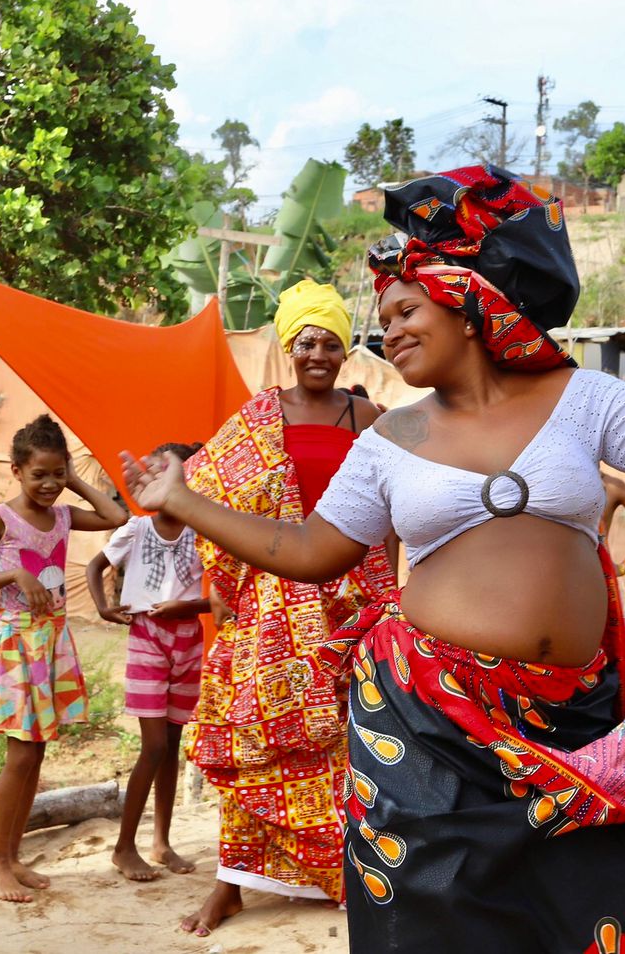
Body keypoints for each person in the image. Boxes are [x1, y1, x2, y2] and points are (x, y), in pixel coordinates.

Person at [121, 166, 625, 951]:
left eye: (407, 309)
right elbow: (311, 549)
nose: (391, 332)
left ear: (468, 306)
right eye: (384, 319)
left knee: (575, 912)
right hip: (425, 720)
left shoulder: (577, 398)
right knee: (429, 915)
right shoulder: (390, 437)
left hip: (575, 716)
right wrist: (183, 500)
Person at [175, 278, 396, 936]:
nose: (319, 354)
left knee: (352, 743)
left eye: (331, 342)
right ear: (287, 347)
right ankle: (232, 885)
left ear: (346, 349)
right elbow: (206, 494)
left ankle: (350, 871)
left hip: (353, 602)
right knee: (255, 739)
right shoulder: (256, 419)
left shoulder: (370, 419)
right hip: (270, 603)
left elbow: (388, 513)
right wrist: (228, 587)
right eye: (306, 343)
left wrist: (387, 591)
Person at [0, 414, 127, 902]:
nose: (50, 484)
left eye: (58, 474)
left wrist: (75, 480)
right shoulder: (1, 518)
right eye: (40, 475)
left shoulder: (65, 516)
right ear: (16, 471)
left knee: (38, 753)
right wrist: (13, 576)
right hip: (16, 644)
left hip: (50, 641)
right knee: (22, 753)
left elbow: (117, 518)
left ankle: (12, 857)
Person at [85, 440, 210, 882]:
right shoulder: (137, 529)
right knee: (155, 745)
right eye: (155, 473)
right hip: (148, 638)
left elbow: (219, 597)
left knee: (173, 745)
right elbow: (94, 566)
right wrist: (103, 606)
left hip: (188, 640)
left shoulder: (205, 533)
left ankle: (161, 842)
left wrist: (189, 608)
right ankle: (123, 847)